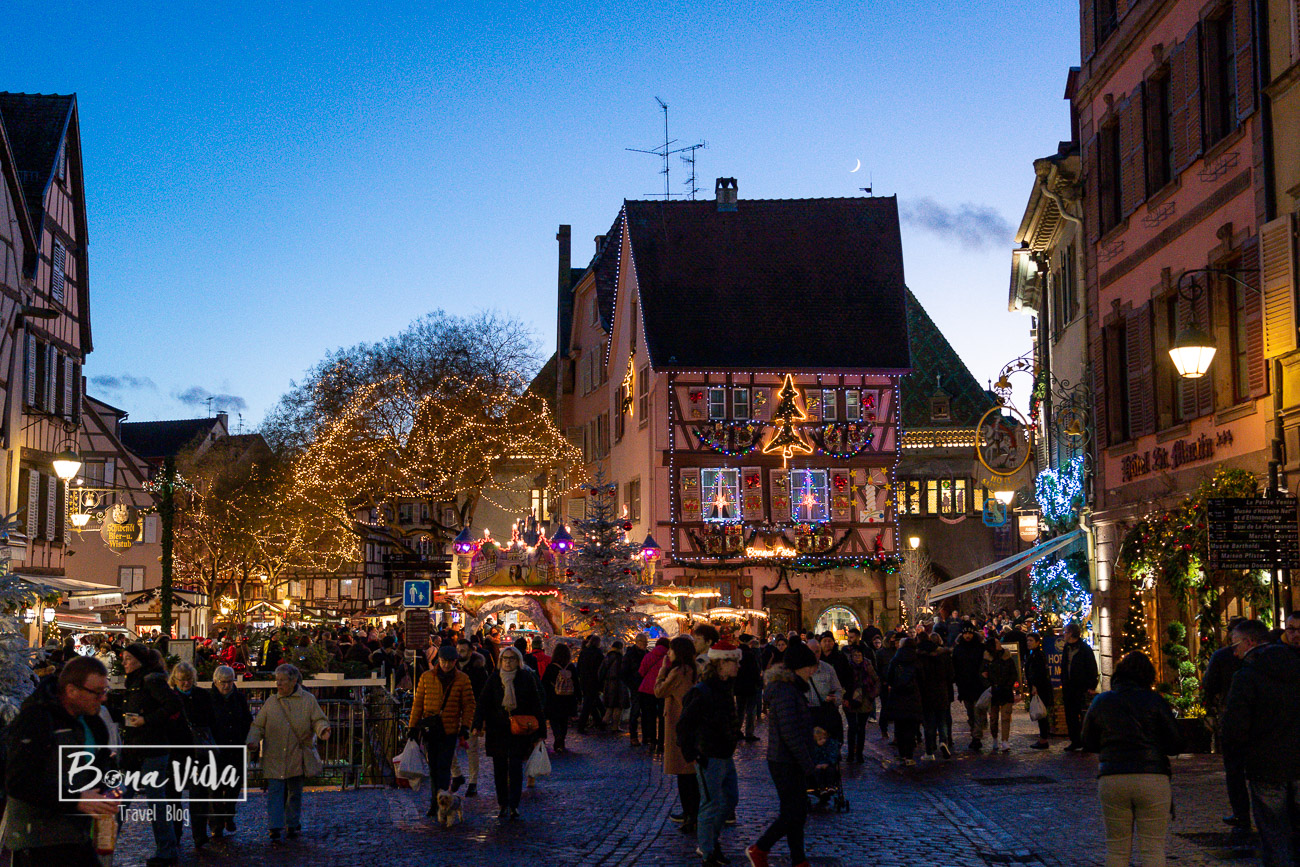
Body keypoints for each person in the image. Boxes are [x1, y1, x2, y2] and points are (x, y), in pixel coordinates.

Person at [1, 657, 117, 867]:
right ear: (71, 690)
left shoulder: (93, 723)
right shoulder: (36, 720)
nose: (103, 699)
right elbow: (19, 782)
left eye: (105, 691)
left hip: (78, 838)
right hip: (38, 842)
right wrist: (76, 799)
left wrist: (108, 790)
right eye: (97, 693)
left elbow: (102, 767)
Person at [1081, 651, 1182, 867]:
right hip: (1152, 777)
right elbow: (1175, 743)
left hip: (1112, 776)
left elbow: (1087, 741)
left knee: (1116, 849)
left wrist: (1111, 747)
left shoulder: (1102, 701)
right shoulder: (1155, 701)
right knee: (1153, 849)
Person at [1221, 618, 1300, 867]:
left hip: (1266, 765)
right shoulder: (1296, 666)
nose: (1234, 651)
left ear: (1250, 642)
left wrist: (1240, 756)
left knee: (1274, 832)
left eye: (1235, 645)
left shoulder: (1247, 675)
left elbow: (1235, 726)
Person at [747, 639, 818, 867]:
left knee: (796, 812)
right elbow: (790, 733)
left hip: (787, 759)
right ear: (800, 667)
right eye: (810, 666)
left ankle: (799, 860)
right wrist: (808, 764)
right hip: (785, 761)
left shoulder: (790, 688)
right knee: (793, 813)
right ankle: (760, 848)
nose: (813, 671)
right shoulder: (787, 691)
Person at [246, 663, 330, 842]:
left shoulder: (307, 700)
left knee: (295, 792)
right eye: (277, 681)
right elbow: (259, 725)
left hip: (296, 754)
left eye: (282, 681)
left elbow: (318, 719)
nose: (278, 684)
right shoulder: (271, 702)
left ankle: (291, 823)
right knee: (275, 791)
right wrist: (252, 740)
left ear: (293, 681)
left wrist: (323, 729)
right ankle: (275, 826)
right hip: (274, 754)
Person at [677, 638, 742, 867]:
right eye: (733, 662)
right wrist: (692, 753)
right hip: (708, 755)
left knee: (730, 799)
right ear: (721, 664)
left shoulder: (725, 687)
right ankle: (707, 851)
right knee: (710, 804)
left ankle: (710, 843)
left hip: (724, 753)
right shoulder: (703, 691)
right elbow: (685, 724)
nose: (737, 666)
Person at [121, 643, 187, 864]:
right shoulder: (135, 681)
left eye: (128, 658)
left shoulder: (150, 680)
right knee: (122, 799)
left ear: (139, 660)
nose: (124, 662)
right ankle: (103, 847)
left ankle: (167, 851)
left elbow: (173, 704)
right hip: (135, 748)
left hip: (152, 749)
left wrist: (145, 720)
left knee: (154, 802)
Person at [472, 646, 546, 820]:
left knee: (515, 766)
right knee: (499, 768)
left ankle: (514, 804)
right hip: (497, 729)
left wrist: (540, 732)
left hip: (519, 729)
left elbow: (536, 704)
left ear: (518, 661)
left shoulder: (526, 678)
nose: (507, 661)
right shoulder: (494, 678)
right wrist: (477, 723)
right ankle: (502, 803)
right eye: (505, 658)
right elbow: (483, 702)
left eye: (511, 658)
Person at [408, 646, 476, 816]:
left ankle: (442, 803)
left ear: (455, 662)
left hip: (449, 729)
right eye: (444, 661)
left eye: (450, 662)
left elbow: (469, 705)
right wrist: (412, 726)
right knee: (433, 768)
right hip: (431, 729)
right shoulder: (426, 677)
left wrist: (465, 727)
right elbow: (418, 703)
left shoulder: (462, 679)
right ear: (439, 660)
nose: (446, 665)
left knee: (444, 767)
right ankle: (434, 801)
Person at [655, 635, 701, 834]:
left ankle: (690, 816)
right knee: (690, 774)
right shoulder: (692, 670)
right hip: (689, 726)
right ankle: (692, 814)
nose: (668, 653)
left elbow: (658, 691)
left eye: (671, 650)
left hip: (679, 727)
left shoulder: (677, 672)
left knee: (685, 775)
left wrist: (663, 669)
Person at [169, 661, 215, 849]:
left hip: (198, 752)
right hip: (177, 751)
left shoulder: (202, 695)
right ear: (175, 680)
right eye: (182, 680)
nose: (186, 683)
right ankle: (176, 834)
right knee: (174, 797)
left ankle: (199, 834)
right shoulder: (170, 698)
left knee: (199, 795)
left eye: (188, 680)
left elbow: (212, 719)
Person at [207, 665, 251, 839]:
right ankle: (217, 823)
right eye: (223, 682)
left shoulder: (239, 698)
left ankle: (228, 814)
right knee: (215, 788)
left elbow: (247, 720)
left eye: (229, 682)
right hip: (216, 748)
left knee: (233, 786)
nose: (226, 686)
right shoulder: (209, 699)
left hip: (235, 746)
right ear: (216, 682)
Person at [449, 638, 489, 796]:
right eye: (458, 650)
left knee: (471, 749)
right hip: (453, 712)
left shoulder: (479, 670)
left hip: (471, 713)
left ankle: (473, 781)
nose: (459, 654)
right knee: (449, 745)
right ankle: (456, 774)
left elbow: (483, 695)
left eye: (463, 651)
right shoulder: (451, 667)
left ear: (471, 651)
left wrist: (481, 718)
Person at [884, 636, 924, 763]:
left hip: (898, 696)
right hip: (913, 697)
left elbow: (889, 677)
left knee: (900, 726)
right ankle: (909, 755)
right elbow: (922, 678)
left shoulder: (895, 660)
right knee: (911, 728)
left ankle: (902, 753)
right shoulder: (917, 659)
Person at [1061, 621, 1099, 751]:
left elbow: (1092, 668)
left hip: (1081, 688)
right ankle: (1075, 741)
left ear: (1071, 633)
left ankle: (1085, 742)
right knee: (1070, 716)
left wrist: (1091, 686)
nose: (1063, 634)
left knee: (1083, 716)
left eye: (1065, 632)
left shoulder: (1084, 649)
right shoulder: (1066, 648)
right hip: (1069, 688)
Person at [916, 632, 955, 759]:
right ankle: (944, 741)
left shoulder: (920, 656)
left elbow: (918, 676)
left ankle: (929, 750)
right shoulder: (944, 655)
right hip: (941, 691)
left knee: (929, 723)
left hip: (926, 692)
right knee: (942, 720)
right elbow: (951, 675)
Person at [952, 626, 987, 751]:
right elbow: (954, 666)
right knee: (970, 713)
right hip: (965, 685)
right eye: (965, 633)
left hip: (978, 685)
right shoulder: (958, 649)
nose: (967, 636)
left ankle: (976, 737)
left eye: (969, 633)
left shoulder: (980, 648)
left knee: (977, 711)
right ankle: (974, 733)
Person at [842, 645, 879, 763]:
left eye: (859, 655)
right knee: (852, 727)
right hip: (850, 699)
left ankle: (859, 754)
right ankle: (850, 753)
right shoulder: (847, 666)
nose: (857, 657)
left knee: (861, 728)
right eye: (855, 655)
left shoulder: (867, 665)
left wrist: (872, 694)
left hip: (865, 700)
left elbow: (876, 680)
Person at [541, 642, 580, 752]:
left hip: (554, 698)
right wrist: (578, 697)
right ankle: (561, 740)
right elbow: (576, 683)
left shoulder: (551, 667)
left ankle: (557, 736)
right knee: (564, 720)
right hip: (568, 698)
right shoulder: (571, 667)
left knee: (554, 719)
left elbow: (544, 683)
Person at [984, 635, 1018, 752]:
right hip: (993, 692)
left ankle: (1005, 740)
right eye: (997, 643)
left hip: (1005, 691)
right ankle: (995, 738)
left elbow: (1013, 673)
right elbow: (983, 675)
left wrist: (1008, 685)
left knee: (1005, 717)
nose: (1000, 645)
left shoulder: (1006, 657)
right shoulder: (987, 659)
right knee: (993, 718)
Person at [638, 637, 671, 749]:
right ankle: (661, 742)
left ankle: (652, 740)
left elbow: (641, 671)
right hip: (662, 689)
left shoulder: (648, 655)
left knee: (649, 715)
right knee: (662, 716)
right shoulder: (669, 658)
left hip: (647, 689)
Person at [1024, 633, 1054, 750]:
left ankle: (1043, 740)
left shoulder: (1038, 655)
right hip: (1038, 687)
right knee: (1041, 713)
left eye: (1031, 640)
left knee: (1041, 714)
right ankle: (1043, 738)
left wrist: (1035, 686)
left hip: (1040, 689)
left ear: (1037, 642)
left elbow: (1039, 673)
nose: (1028, 643)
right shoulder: (1033, 654)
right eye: (1027, 641)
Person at [734, 634, 763, 743]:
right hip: (750, 685)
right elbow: (755, 670)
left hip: (739, 686)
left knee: (740, 709)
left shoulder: (736, 653)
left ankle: (737, 730)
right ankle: (749, 732)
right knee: (750, 710)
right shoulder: (751, 654)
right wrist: (758, 682)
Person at [621, 633, 649, 746]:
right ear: (637, 642)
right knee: (635, 712)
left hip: (645, 687)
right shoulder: (630, 655)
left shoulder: (647, 654)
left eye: (646, 643)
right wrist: (632, 684)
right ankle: (634, 736)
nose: (645, 645)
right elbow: (624, 673)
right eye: (643, 642)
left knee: (646, 712)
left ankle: (646, 736)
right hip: (636, 687)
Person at [576, 635, 605, 733]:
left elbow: (579, 667)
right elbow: (601, 670)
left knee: (592, 702)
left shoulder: (584, 652)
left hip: (584, 681)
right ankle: (583, 726)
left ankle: (600, 722)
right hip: (594, 681)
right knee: (590, 704)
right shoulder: (598, 653)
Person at [598, 640, 629, 733]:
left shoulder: (607, 657)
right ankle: (615, 726)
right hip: (618, 685)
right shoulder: (620, 658)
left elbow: (601, 672)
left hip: (608, 684)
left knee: (610, 707)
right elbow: (623, 672)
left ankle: (603, 723)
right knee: (618, 707)